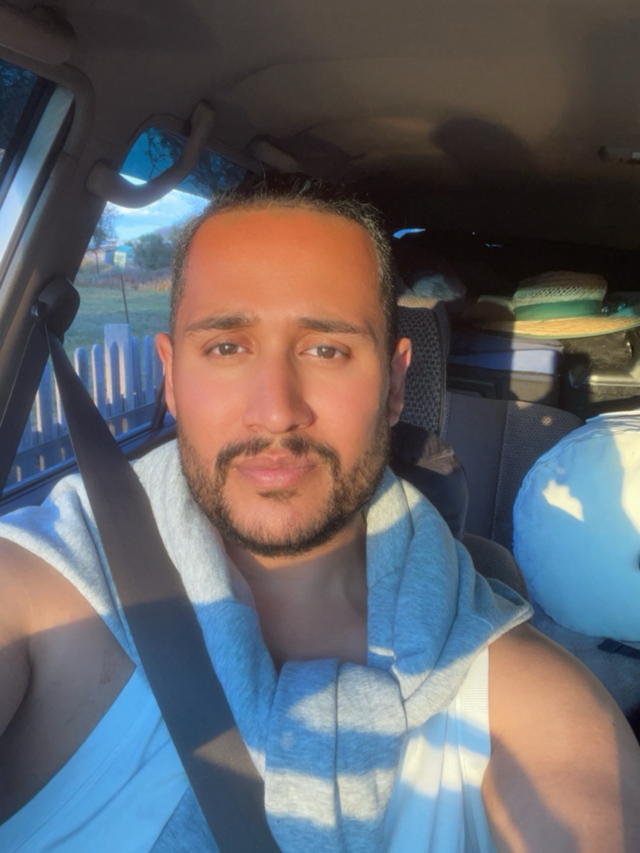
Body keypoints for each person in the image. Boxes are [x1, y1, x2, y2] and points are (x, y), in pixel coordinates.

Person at [0, 175, 638, 853]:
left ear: (395, 385)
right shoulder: (40, 596)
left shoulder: (539, 707)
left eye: (327, 350)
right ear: (171, 377)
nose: (276, 410)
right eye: (226, 347)